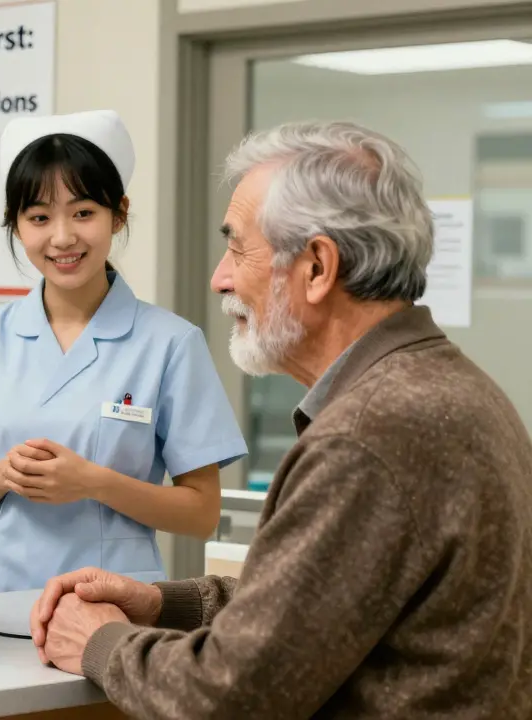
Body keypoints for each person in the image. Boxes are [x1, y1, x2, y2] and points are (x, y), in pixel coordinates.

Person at [30, 121, 532, 718]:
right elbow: (329, 602)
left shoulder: (369, 435)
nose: (219, 276)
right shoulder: (451, 389)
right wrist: (165, 603)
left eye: (237, 247)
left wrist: (98, 643)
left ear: (317, 268)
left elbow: (227, 697)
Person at [0, 110, 247, 596]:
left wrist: (93, 482)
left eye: (83, 213)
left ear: (118, 213)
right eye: (38, 217)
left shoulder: (170, 343)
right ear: (16, 225)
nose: (62, 238)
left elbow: (201, 514)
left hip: (114, 605)